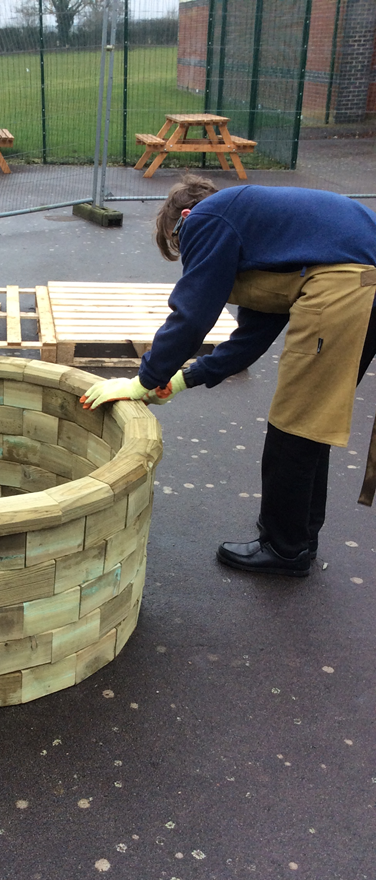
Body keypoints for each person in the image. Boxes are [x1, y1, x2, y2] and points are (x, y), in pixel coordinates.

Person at [82, 176, 376, 578]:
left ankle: (284, 549)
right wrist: (182, 380)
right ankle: (297, 536)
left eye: (180, 242)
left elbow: (192, 314)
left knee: (293, 424)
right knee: (310, 423)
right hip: (359, 283)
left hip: (347, 287)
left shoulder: (207, 218)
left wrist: (142, 382)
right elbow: (250, 338)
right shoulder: (265, 234)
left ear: (184, 218)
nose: (190, 254)